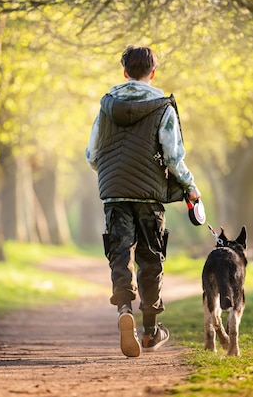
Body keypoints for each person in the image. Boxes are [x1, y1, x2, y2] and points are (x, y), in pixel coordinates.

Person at [85, 44, 201, 357]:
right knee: (151, 258)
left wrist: (113, 172)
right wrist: (190, 187)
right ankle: (150, 331)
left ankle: (124, 309)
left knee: (120, 253)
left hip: (114, 192)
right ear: (153, 73)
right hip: (150, 195)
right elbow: (174, 157)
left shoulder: (106, 105)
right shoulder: (162, 107)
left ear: (124, 72)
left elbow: (91, 155)